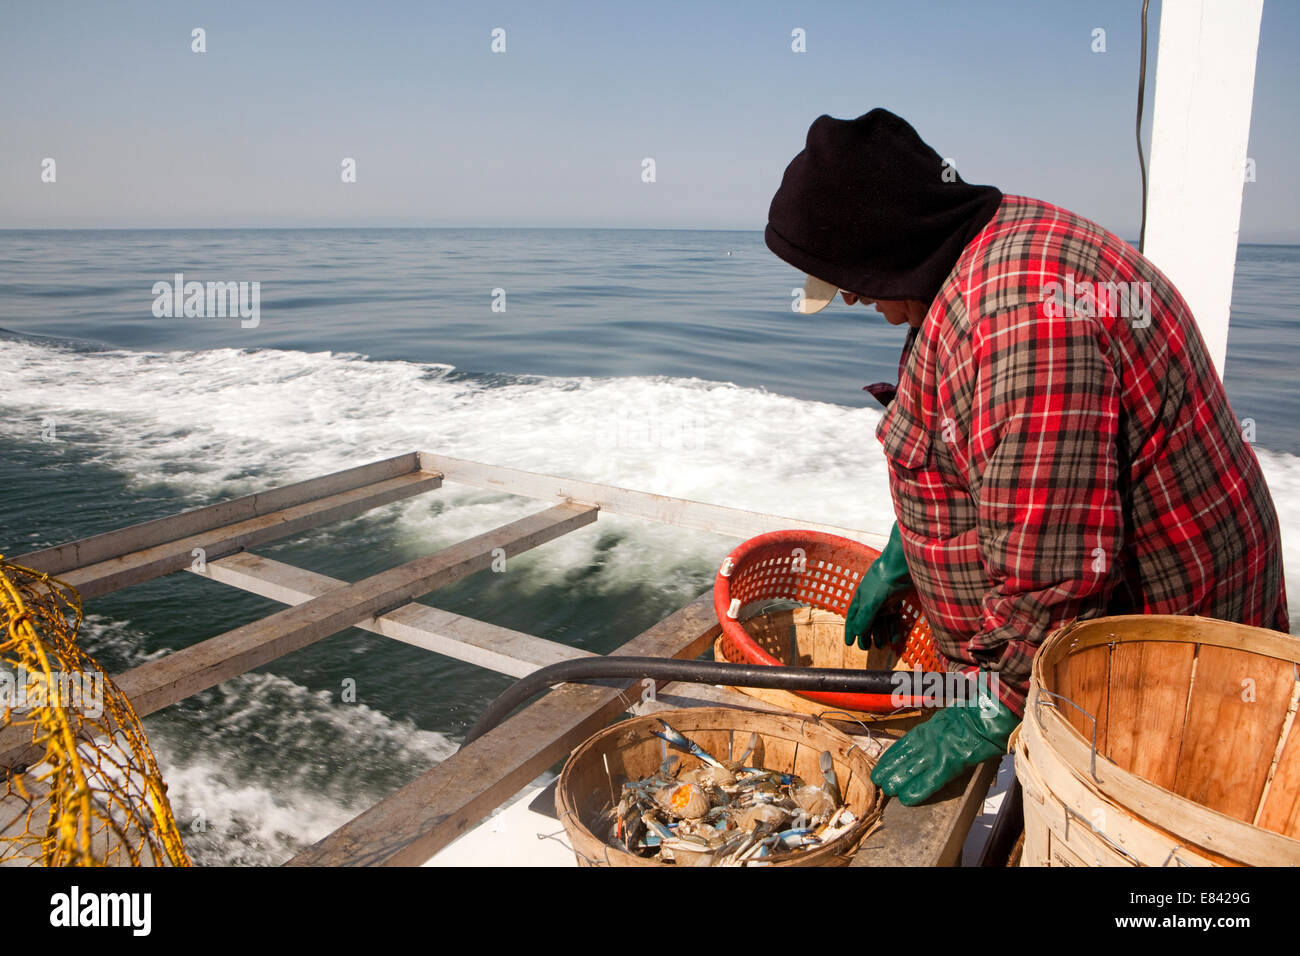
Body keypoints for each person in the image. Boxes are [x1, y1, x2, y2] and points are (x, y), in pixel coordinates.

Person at [765, 108, 1290, 806]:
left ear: (894, 244)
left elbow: (1060, 572)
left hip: (1163, 650)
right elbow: (983, 449)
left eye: (851, 278)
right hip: (1101, 618)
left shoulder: (1024, 325)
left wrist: (988, 710)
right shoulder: (974, 245)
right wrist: (905, 549)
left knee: (1168, 807)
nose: (852, 296)